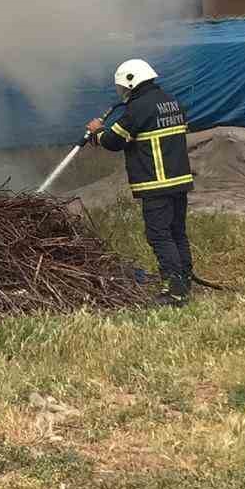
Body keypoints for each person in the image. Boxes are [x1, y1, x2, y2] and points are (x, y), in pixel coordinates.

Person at [86, 58, 195, 306]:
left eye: (122, 87)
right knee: (177, 232)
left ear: (131, 83)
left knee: (159, 235)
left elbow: (114, 141)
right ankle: (184, 280)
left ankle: (175, 291)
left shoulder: (139, 108)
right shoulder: (172, 102)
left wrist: (96, 131)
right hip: (180, 180)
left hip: (156, 183)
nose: (121, 93)